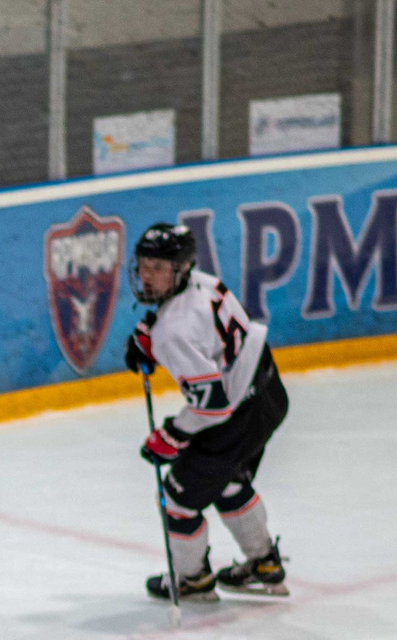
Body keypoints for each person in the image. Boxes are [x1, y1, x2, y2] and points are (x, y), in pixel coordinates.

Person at [121, 221, 291, 601]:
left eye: (159, 269)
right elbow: (210, 335)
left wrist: (172, 435)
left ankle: (192, 579)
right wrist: (151, 330)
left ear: (180, 271)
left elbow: (212, 407)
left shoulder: (173, 332)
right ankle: (264, 564)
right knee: (226, 481)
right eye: (144, 266)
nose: (148, 278)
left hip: (235, 415)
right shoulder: (205, 282)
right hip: (267, 393)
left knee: (177, 501)